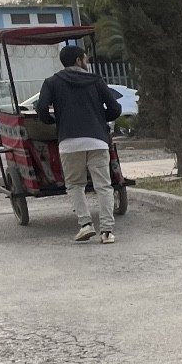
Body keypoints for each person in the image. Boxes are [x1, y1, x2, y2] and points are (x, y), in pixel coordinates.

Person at [37, 45, 122, 243]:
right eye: (85, 59)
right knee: (103, 186)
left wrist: (53, 121)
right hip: (97, 141)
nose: (87, 62)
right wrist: (101, 119)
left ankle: (85, 225)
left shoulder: (51, 82)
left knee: (75, 185)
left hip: (68, 142)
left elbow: (42, 108)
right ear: (78, 61)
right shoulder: (96, 81)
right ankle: (107, 231)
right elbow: (115, 108)